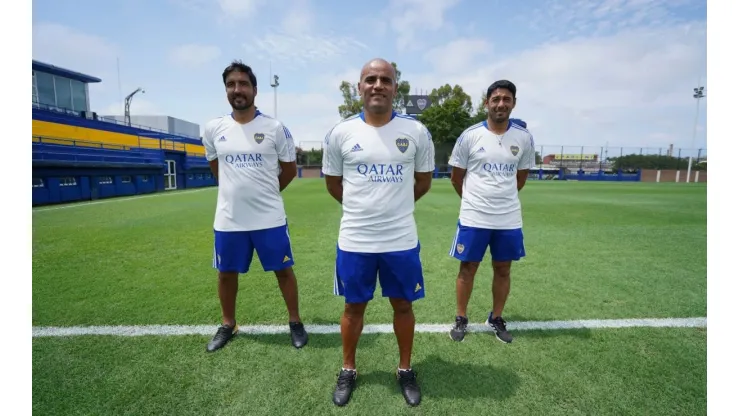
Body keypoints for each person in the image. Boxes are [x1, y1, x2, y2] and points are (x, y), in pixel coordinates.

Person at [321, 58, 435, 407]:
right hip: (355, 239)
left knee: (403, 305)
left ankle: (404, 369)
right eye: (370, 79)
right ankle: (348, 369)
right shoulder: (341, 133)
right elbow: (333, 184)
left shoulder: (416, 132)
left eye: (385, 79)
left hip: (400, 239)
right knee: (354, 307)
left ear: (394, 88)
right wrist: (363, 210)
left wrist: (394, 207)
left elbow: (423, 182)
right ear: (359, 87)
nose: (377, 85)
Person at [201, 60, 308, 352]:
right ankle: (228, 324)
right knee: (225, 274)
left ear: (255, 89)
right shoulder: (213, 129)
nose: (238, 89)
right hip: (229, 219)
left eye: (243, 84)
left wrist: (265, 194)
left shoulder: (275, 128)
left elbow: (288, 171)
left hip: (269, 218)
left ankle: (295, 322)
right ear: (226, 90)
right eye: (231, 84)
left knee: (283, 271)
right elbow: (216, 169)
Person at [446, 80, 535, 344]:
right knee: (468, 267)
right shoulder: (470, 135)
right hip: (475, 216)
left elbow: (520, 178)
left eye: (506, 99)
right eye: (495, 99)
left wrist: (501, 200)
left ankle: (496, 317)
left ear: (513, 103)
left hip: (508, 218)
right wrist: (476, 201)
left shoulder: (523, 138)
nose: (501, 104)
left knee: (503, 268)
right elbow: (456, 178)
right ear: (487, 103)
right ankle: (461, 318)